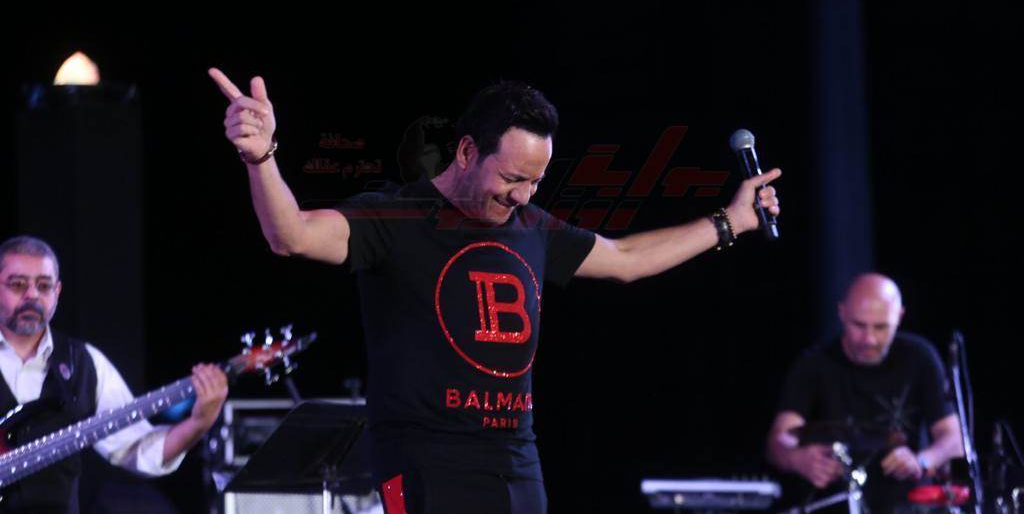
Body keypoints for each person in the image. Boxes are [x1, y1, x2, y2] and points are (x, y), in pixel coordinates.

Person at [209, 69, 781, 514]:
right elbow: (291, 236)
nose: (523, 195)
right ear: (465, 152)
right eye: (511, 179)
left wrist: (731, 222)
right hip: (427, 464)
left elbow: (627, 259)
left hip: (516, 464)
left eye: (536, 181)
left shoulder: (532, 227)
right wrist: (261, 158)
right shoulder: (395, 218)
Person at [0, 235, 229, 514]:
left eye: (44, 285)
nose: (32, 295)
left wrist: (198, 423)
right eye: (17, 284)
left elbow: (139, 449)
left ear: (57, 292)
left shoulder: (84, 363)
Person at [765, 273, 964, 514]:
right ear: (841, 313)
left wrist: (921, 460)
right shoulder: (814, 365)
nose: (869, 339)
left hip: (909, 507)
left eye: (881, 327)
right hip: (836, 506)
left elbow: (954, 439)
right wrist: (797, 459)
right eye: (859, 325)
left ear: (899, 316)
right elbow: (779, 440)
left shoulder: (919, 356)